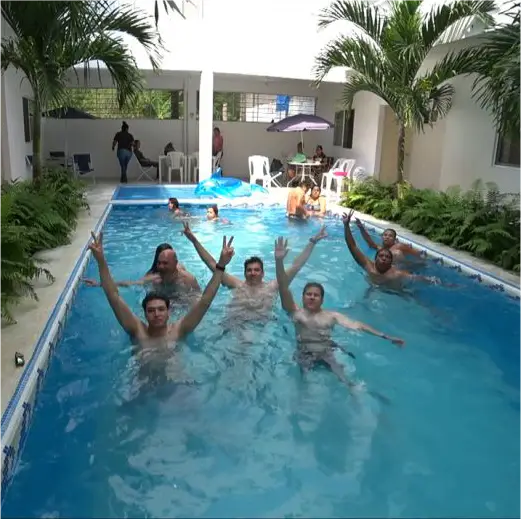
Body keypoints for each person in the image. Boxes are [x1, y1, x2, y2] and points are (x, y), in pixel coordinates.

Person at [88, 230, 235, 376]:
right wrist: (101, 260)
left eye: (161, 309)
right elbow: (113, 296)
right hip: (142, 385)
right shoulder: (137, 330)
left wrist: (221, 265)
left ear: (168, 312)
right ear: (144, 314)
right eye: (151, 310)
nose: (156, 314)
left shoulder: (178, 330)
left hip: (177, 384)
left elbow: (205, 300)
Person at [274, 236, 404, 391]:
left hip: (326, 351)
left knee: (348, 382)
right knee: (303, 386)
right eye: (308, 294)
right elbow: (283, 287)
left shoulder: (332, 316)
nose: (312, 297)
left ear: (322, 299)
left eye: (316, 295)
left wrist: (385, 336)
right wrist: (279, 261)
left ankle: (356, 394)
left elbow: (358, 326)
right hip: (304, 353)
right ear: (302, 297)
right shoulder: (296, 313)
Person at [182, 221, 328, 322]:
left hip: (261, 327)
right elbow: (211, 264)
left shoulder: (273, 286)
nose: (253, 273)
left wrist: (312, 242)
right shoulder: (236, 284)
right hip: (233, 324)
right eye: (249, 270)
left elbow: (296, 266)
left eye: (257, 270)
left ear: (263, 273)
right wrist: (194, 240)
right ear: (244, 273)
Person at [342, 210, 440, 289]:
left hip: (396, 283)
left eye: (387, 257)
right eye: (381, 256)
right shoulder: (370, 266)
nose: (384, 258)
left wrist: (431, 278)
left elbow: (415, 277)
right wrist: (347, 226)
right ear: (375, 259)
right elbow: (353, 246)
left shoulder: (396, 270)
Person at [84, 243, 199, 299]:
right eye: (159, 262)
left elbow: (199, 299)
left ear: (175, 263)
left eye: (165, 263)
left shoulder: (187, 279)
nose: (161, 266)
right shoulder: (155, 278)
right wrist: (99, 284)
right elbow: (131, 284)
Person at [354, 218, 422, 263]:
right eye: (385, 235)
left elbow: (417, 253)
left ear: (394, 239)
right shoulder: (381, 248)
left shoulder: (399, 246)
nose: (387, 237)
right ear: (382, 237)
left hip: (408, 267)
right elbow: (370, 242)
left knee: (396, 253)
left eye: (390, 236)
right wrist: (361, 228)